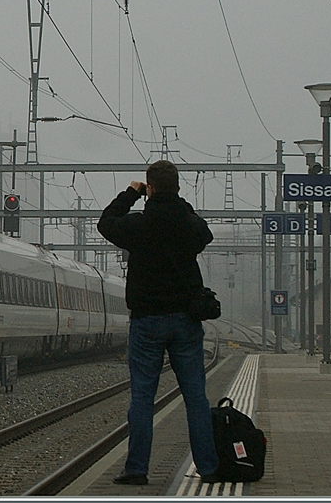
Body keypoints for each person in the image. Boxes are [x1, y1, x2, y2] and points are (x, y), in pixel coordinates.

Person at [97, 159, 221, 486]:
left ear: (149, 189)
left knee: (142, 397)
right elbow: (204, 232)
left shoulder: (138, 225)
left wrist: (130, 194)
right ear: (177, 188)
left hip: (147, 320)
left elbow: (106, 222)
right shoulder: (188, 224)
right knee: (195, 396)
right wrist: (176, 202)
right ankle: (208, 467)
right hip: (185, 319)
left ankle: (137, 469)